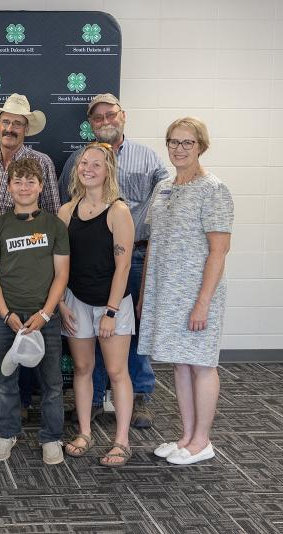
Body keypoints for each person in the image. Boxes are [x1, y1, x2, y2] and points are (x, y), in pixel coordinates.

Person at [59, 93, 169, 428]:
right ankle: (91, 401)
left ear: (123, 116)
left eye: (111, 114)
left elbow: (167, 195)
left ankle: (140, 397)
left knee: (132, 330)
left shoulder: (147, 157)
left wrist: (147, 226)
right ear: (90, 123)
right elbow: (71, 207)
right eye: (98, 117)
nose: (105, 121)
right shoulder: (78, 159)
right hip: (86, 267)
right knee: (88, 343)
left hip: (134, 255)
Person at [139, 118, 233, 465]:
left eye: (187, 143)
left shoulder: (214, 189)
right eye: (173, 142)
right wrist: (146, 293)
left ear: (201, 147)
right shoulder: (164, 186)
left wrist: (202, 303)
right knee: (180, 364)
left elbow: (219, 251)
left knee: (202, 364)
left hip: (197, 295)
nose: (179, 149)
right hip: (165, 294)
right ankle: (187, 435)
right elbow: (153, 244)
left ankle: (202, 440)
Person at [0, 93, 61, 417]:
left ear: (27, 129)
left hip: (29, 264)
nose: (10, 128)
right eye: (6, 121)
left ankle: (23, 401)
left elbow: (52, 212)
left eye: (17, 124)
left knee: (26, 329)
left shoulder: (42, 163)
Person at [0, 158, 69, 465]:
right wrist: (5, 313)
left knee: (52, 383)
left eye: (31, 181)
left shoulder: (54, 225)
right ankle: (6, 433)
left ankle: (52, 437)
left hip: (43, 319)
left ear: (41, 187)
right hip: (6, 318)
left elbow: (61, 274)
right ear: (8, 187)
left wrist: (45, 314)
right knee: (5, 380)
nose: (24, 187)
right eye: (17, 181)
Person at [58, 143, 135, 467]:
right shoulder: (66, 211)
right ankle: (86, 432)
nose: (88, 168)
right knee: (82, 369)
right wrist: (61, 303)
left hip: (111, 303)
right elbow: (59, 265)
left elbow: (124, 266)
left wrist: (111, 312)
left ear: (108, 171)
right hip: (76, 300)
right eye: (83, 163)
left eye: (96, 164)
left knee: (117, 371)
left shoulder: (118, 211)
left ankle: (122, 440)